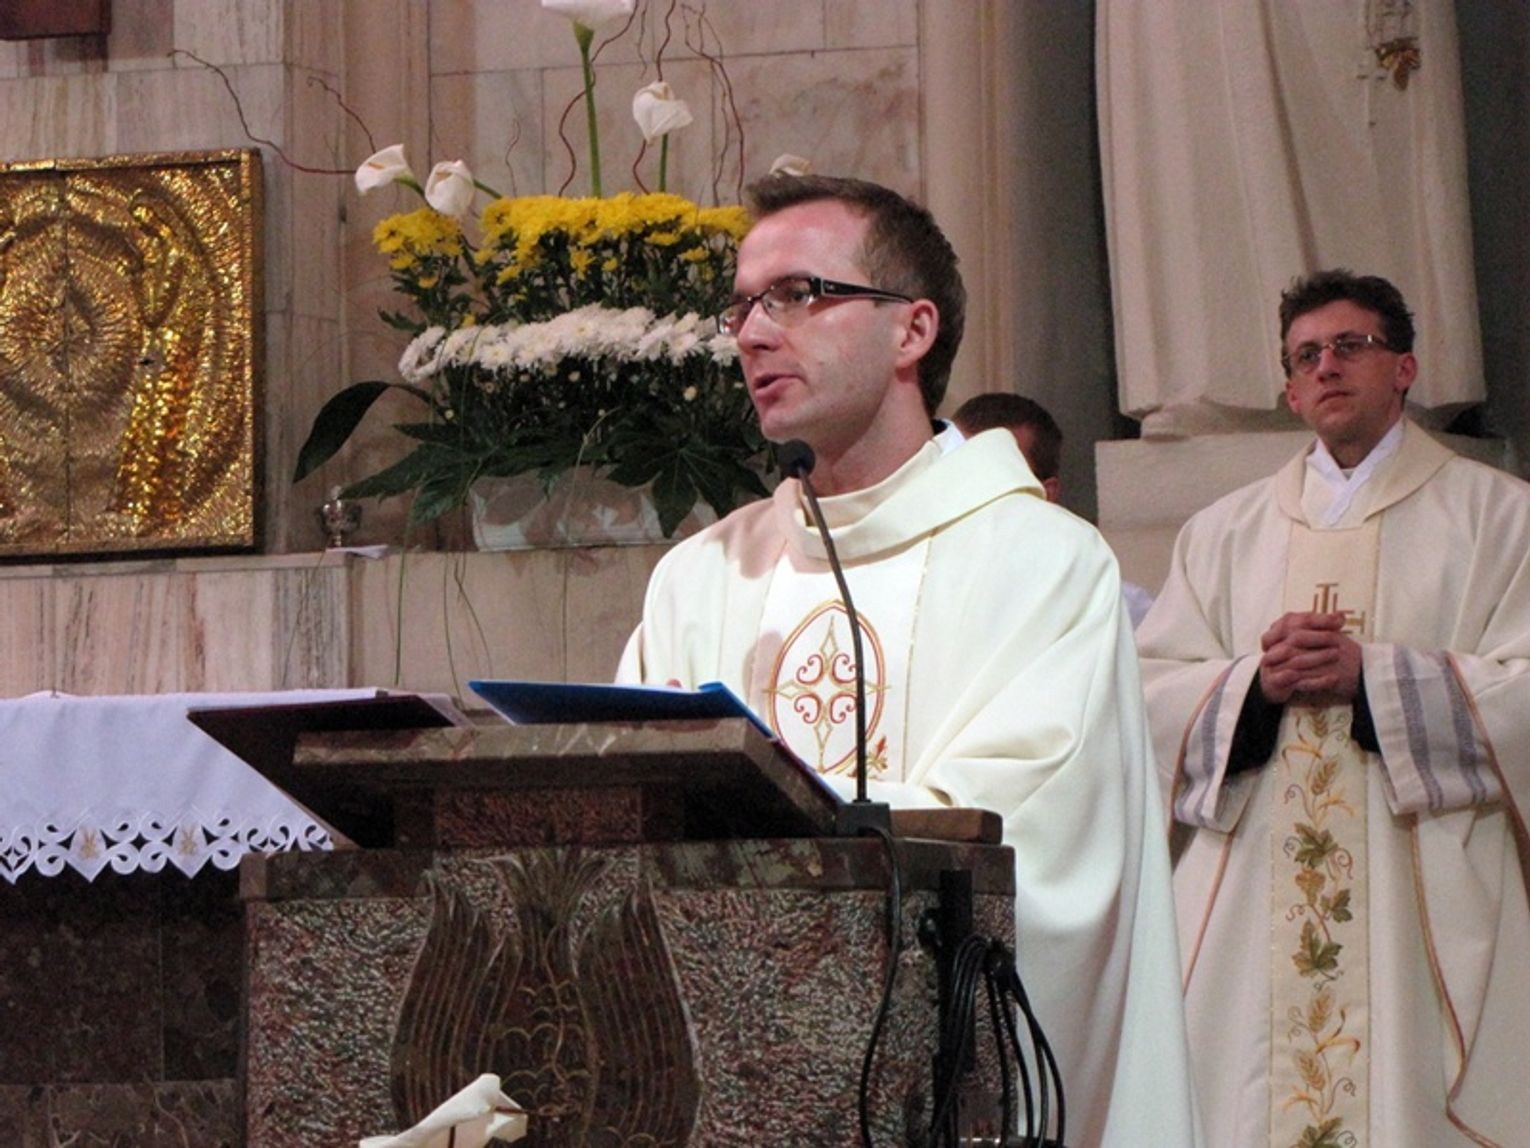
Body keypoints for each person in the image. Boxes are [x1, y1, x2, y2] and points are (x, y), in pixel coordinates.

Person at [618, 173, 1202, 1146]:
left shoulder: (1043, 562)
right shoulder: (701, 577)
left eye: (796, 294)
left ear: (912, 331)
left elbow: (1036, 840)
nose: (753, 334)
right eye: (743, 306)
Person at [1137, 269, 1530, 1147]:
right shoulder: (1224, 531)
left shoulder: (1500, 518)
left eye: (1351, 345)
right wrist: (1250, 685)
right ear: (1289, 389)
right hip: (1253, 888)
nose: (1326, 366)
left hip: (1420, 885)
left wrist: (1380, 678)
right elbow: (1150, 691)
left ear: (1404, 368)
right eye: (1305, 355)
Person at [952, 392, 1156, 627]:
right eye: (955, 475)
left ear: (1045, 494)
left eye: (994, 482)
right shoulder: (919, 590)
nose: (967, 496)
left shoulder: (1111, 610)